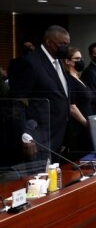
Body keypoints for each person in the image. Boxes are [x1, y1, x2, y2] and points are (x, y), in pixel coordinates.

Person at [9, 25, 71, 162]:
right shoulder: (31, 62)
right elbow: (17, 101)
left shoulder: (58, 61)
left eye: (68, 44)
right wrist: (25, 134)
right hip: (39, 135)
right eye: (63, 44)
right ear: (49, 42)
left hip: (59, 134)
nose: (66, 48)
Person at [62, 47, 94, 157]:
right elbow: (72, 107)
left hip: (88, 125)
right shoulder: (69, 80)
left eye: (81, 58)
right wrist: (86, 123)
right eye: (77, 58)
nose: (81, 61)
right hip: (79, 127)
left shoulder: (79, 78)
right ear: (67, 61)